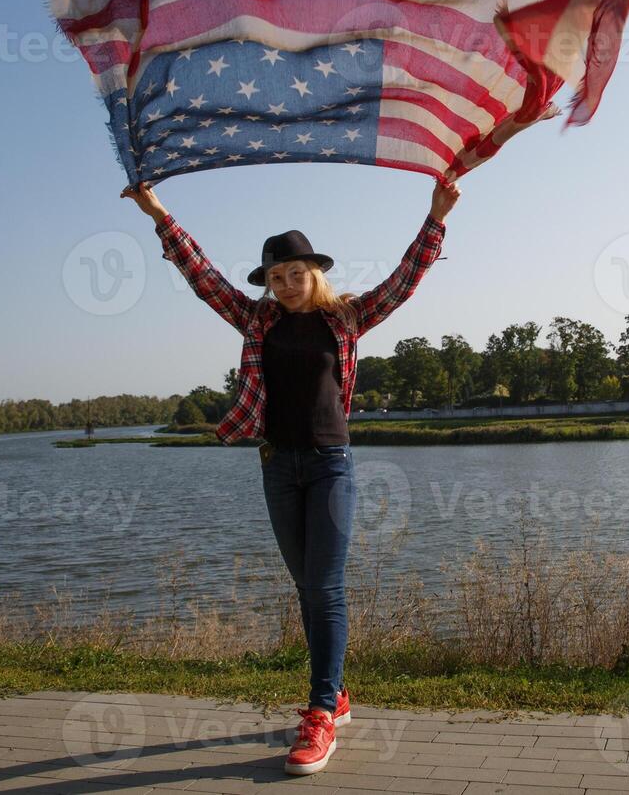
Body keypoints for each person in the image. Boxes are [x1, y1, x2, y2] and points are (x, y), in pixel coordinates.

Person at [121, 175, 459, 775]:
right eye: (275, 278)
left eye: (294, 275)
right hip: (277, 466)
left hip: (332, 466)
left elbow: (404, 281)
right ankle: (339, 691)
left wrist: (435, 216)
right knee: (307, 587)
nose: (285, 286)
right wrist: (157, 210)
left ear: (315, 273)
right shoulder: (258, 321)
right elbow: (200, 276)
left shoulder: (347, 319)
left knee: (325, 586)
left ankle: (322, 712)